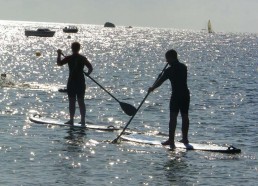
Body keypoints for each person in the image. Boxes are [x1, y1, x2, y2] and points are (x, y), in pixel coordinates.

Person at [148, 49, 190, 149]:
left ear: (171, 58)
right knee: (185, 115)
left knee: (173, 117)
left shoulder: (169, 70)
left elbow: (160, 81)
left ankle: (171, 140)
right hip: (185, 94)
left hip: (176, 95)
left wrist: (152, 88)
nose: (166, 61)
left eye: (167, 59)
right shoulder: (184, 67)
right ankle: (185, 138)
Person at [57, 42, 93, 126]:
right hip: (80, 82)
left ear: (72, 48)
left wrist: (58, 54)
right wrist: (88, 73)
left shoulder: (69, 58)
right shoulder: (82, 58)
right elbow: (90, 68)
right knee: (81, 101)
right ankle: (83, 120)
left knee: (72, 101)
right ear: (79, 49)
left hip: (72, 82)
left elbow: (59, 63)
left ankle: (71, 120)